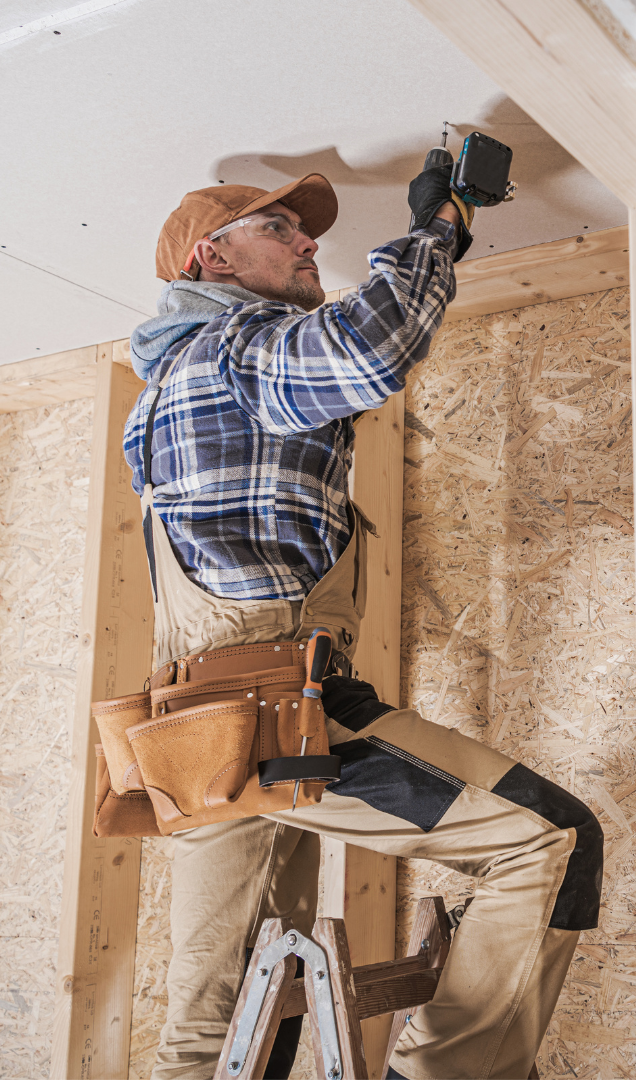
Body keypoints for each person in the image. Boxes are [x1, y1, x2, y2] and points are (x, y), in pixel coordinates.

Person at [123, 167, 603, 1080]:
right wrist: (441, 225)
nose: (309, 243)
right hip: (278, 711)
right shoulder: (233, 350)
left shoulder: (170, 391)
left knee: (221, 1027)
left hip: (198, 739)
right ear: (209, 258)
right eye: (280, 229)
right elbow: (368, 349)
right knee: (549, 839)